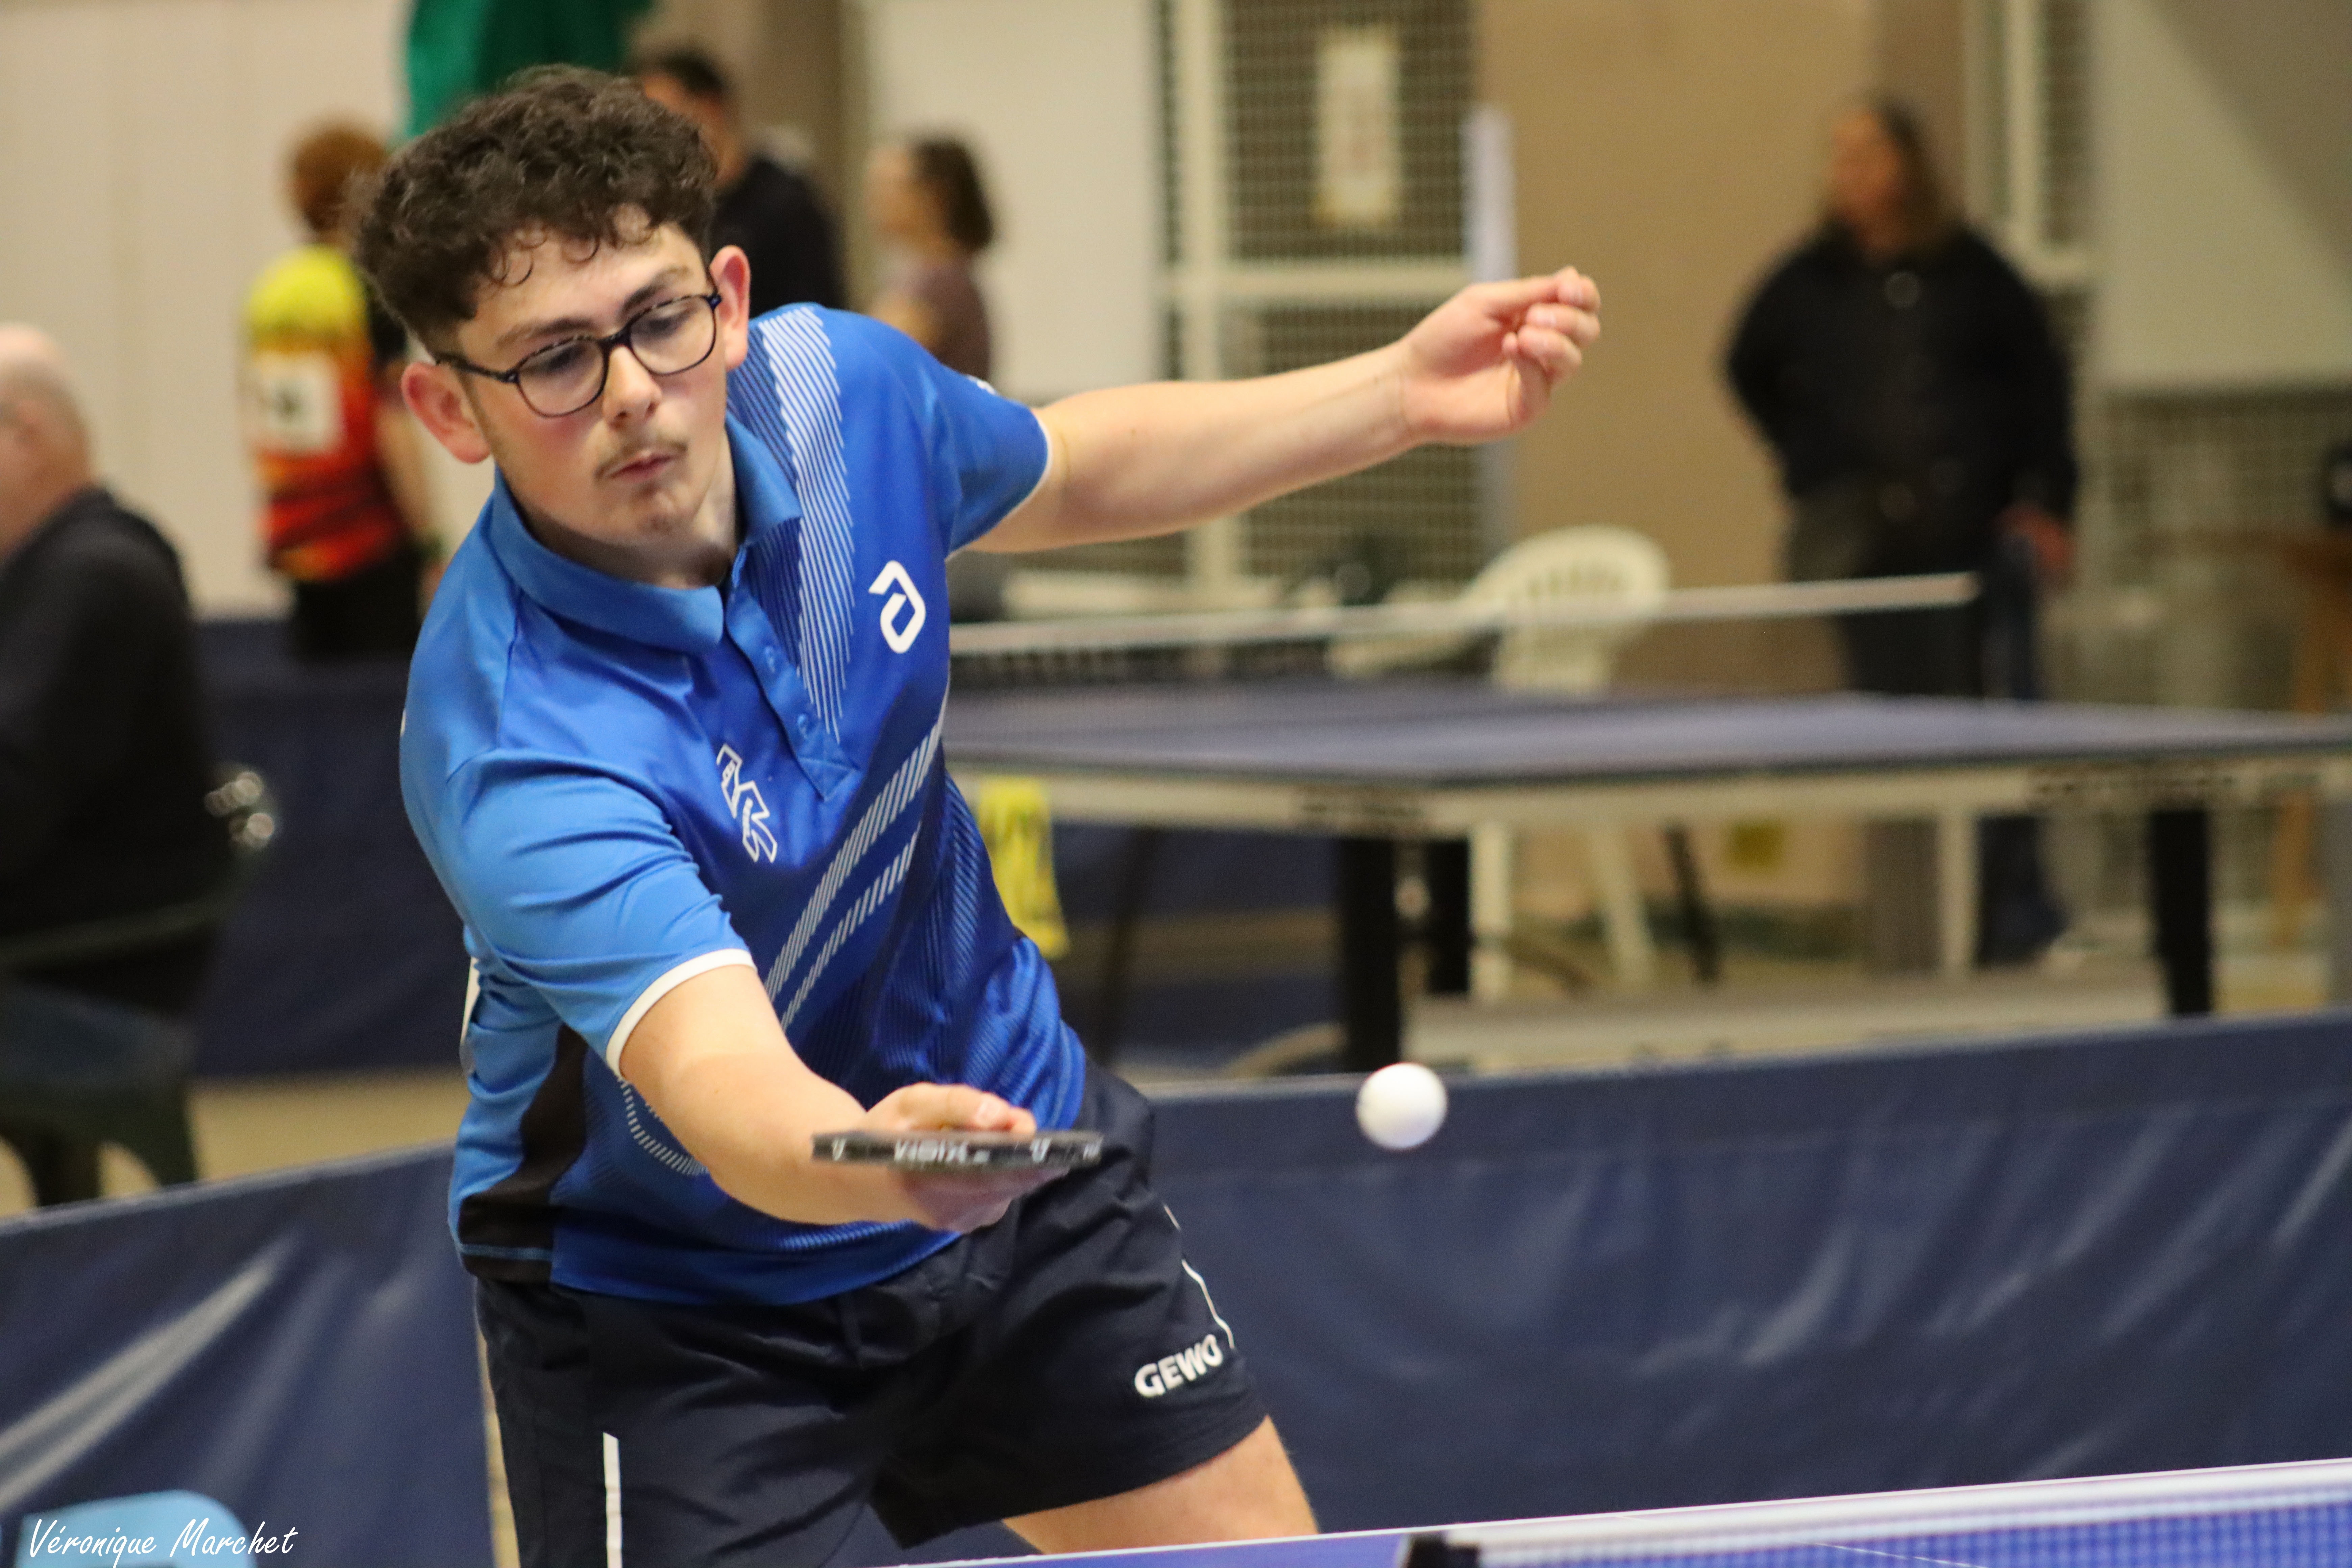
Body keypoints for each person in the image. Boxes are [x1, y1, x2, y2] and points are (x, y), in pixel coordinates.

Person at [354, 68, 1596, 1567]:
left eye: (658, 318)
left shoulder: (841, 396)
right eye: (554, 357)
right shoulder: (517, 738)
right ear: (450, 406)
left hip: (1012, 1160)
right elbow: (725, 1084)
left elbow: (1072, 466)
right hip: (680, 1304)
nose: (629, 391)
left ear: (728, 300)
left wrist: (1395, 393)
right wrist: (875, 1154)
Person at [1725, 98, 2073, 964]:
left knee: (1996, 732)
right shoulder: (1809, 278)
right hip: (1873, 557)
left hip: (1976, 544)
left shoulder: (1974, 272)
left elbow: (2043, 387)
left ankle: (2012, 921)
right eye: (1838, 154)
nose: (1850, 171)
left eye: (1868, 152)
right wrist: (1810, 462)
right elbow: (1745, 364)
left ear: (1909, 164)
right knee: (1899, 740)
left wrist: (2049, 502)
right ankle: (1912, 931)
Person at [0, 326, 231, 1018]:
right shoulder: (68, 570)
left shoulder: (92, 581)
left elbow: (14, 801)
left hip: (81, 977)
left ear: (26, 437)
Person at [243, 122, 440, 661]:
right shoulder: (364, 290)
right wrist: (429, 536)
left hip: (297, 537)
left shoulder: (270, 290)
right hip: (369, 538)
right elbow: (391, 421)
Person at [635, 45, 847, 317]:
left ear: (710, 108)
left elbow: (817, 315)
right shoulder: (665, 208)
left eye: (662, 114)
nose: (652, 133)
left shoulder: (786, 202)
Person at [865, 134, 998, 379]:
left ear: (934, 196)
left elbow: (867, 366)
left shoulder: (942, 287)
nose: (874, 203)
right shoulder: (933, 279)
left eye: (888, 189)